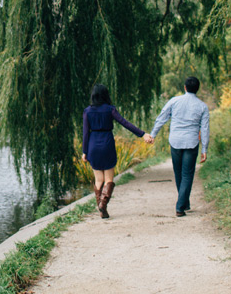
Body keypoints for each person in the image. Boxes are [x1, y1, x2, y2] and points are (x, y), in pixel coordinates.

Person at [81, 83, 154, 218]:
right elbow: (125, 123)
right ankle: (103, 204)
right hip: (107, 143)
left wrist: (85, 151)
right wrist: (142, 134)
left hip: (93, 145)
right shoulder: (110, 109)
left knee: (99, 180)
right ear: (105, 95)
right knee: (108, 178)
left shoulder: (87, 111)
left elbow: (85, 133)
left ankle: (100, 207)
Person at [147, 76, 210, 217]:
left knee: (179, 173)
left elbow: (161, 117)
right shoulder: (202, 106)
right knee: (187, 174)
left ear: (185, 87)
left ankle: (182, 203)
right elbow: (205, 129)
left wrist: (153, 134)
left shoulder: (174, 101)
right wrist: (204, 149)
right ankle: (181, 206)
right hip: (191, 142)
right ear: (197, 89)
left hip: (175, 141)